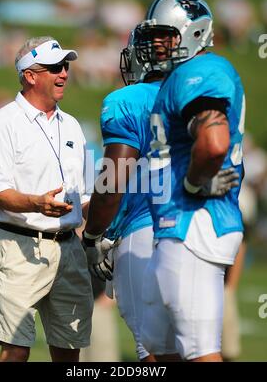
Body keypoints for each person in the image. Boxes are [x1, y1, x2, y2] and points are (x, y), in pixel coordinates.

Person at [81, 25, 238, 362]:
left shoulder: (128, 99)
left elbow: (113, 179)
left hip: (145, 228)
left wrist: (93, 236)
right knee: (196, 346)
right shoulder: (196, 91)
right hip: (203, 226)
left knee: (154, 354)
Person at [134, 0, 244, 362]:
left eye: (166, 35)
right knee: (160, 351)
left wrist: (194, 184)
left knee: (200, 353)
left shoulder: (199, 71)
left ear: (195, 32)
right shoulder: (181, 76)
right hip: (176, 226)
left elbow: (214, 143)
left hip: (193, 225)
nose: (157, 45)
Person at [0, 36, 93, 362]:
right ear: (29, 75)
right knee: (15, 350)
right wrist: (36, 203)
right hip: (20, 246)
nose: (64, 73)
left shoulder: (72, 126)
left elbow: (83, 197)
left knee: (70, 352)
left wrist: (110, 204)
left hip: (69, 247)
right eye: (55, 67)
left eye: (66, 66)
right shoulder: (2, 124)